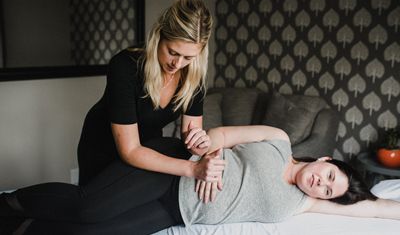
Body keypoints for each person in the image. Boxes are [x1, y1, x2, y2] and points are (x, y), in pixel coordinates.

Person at [1, 125, 399, 235]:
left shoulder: (301, 202)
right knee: (90, 207)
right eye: (329, 175)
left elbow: (378, 208)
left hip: (175, 211)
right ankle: (9, 202)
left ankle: (19, 226)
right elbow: (221, 136)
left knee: (94, 233)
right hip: (173, 168)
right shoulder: (278, 140)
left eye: (329, 190)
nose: (322, 184)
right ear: (326, 159)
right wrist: (212, 158)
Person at [76, 0, 225, 187]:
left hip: (148, 147)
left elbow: (190, 141)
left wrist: (199, 144)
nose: (178, 64)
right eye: (173, 52)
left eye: (188, 57)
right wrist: (192, 169)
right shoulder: (125, 66)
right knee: (93, 209)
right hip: (103, 147)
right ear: (159, 36)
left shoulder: (193, 78)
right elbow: (129, 150)